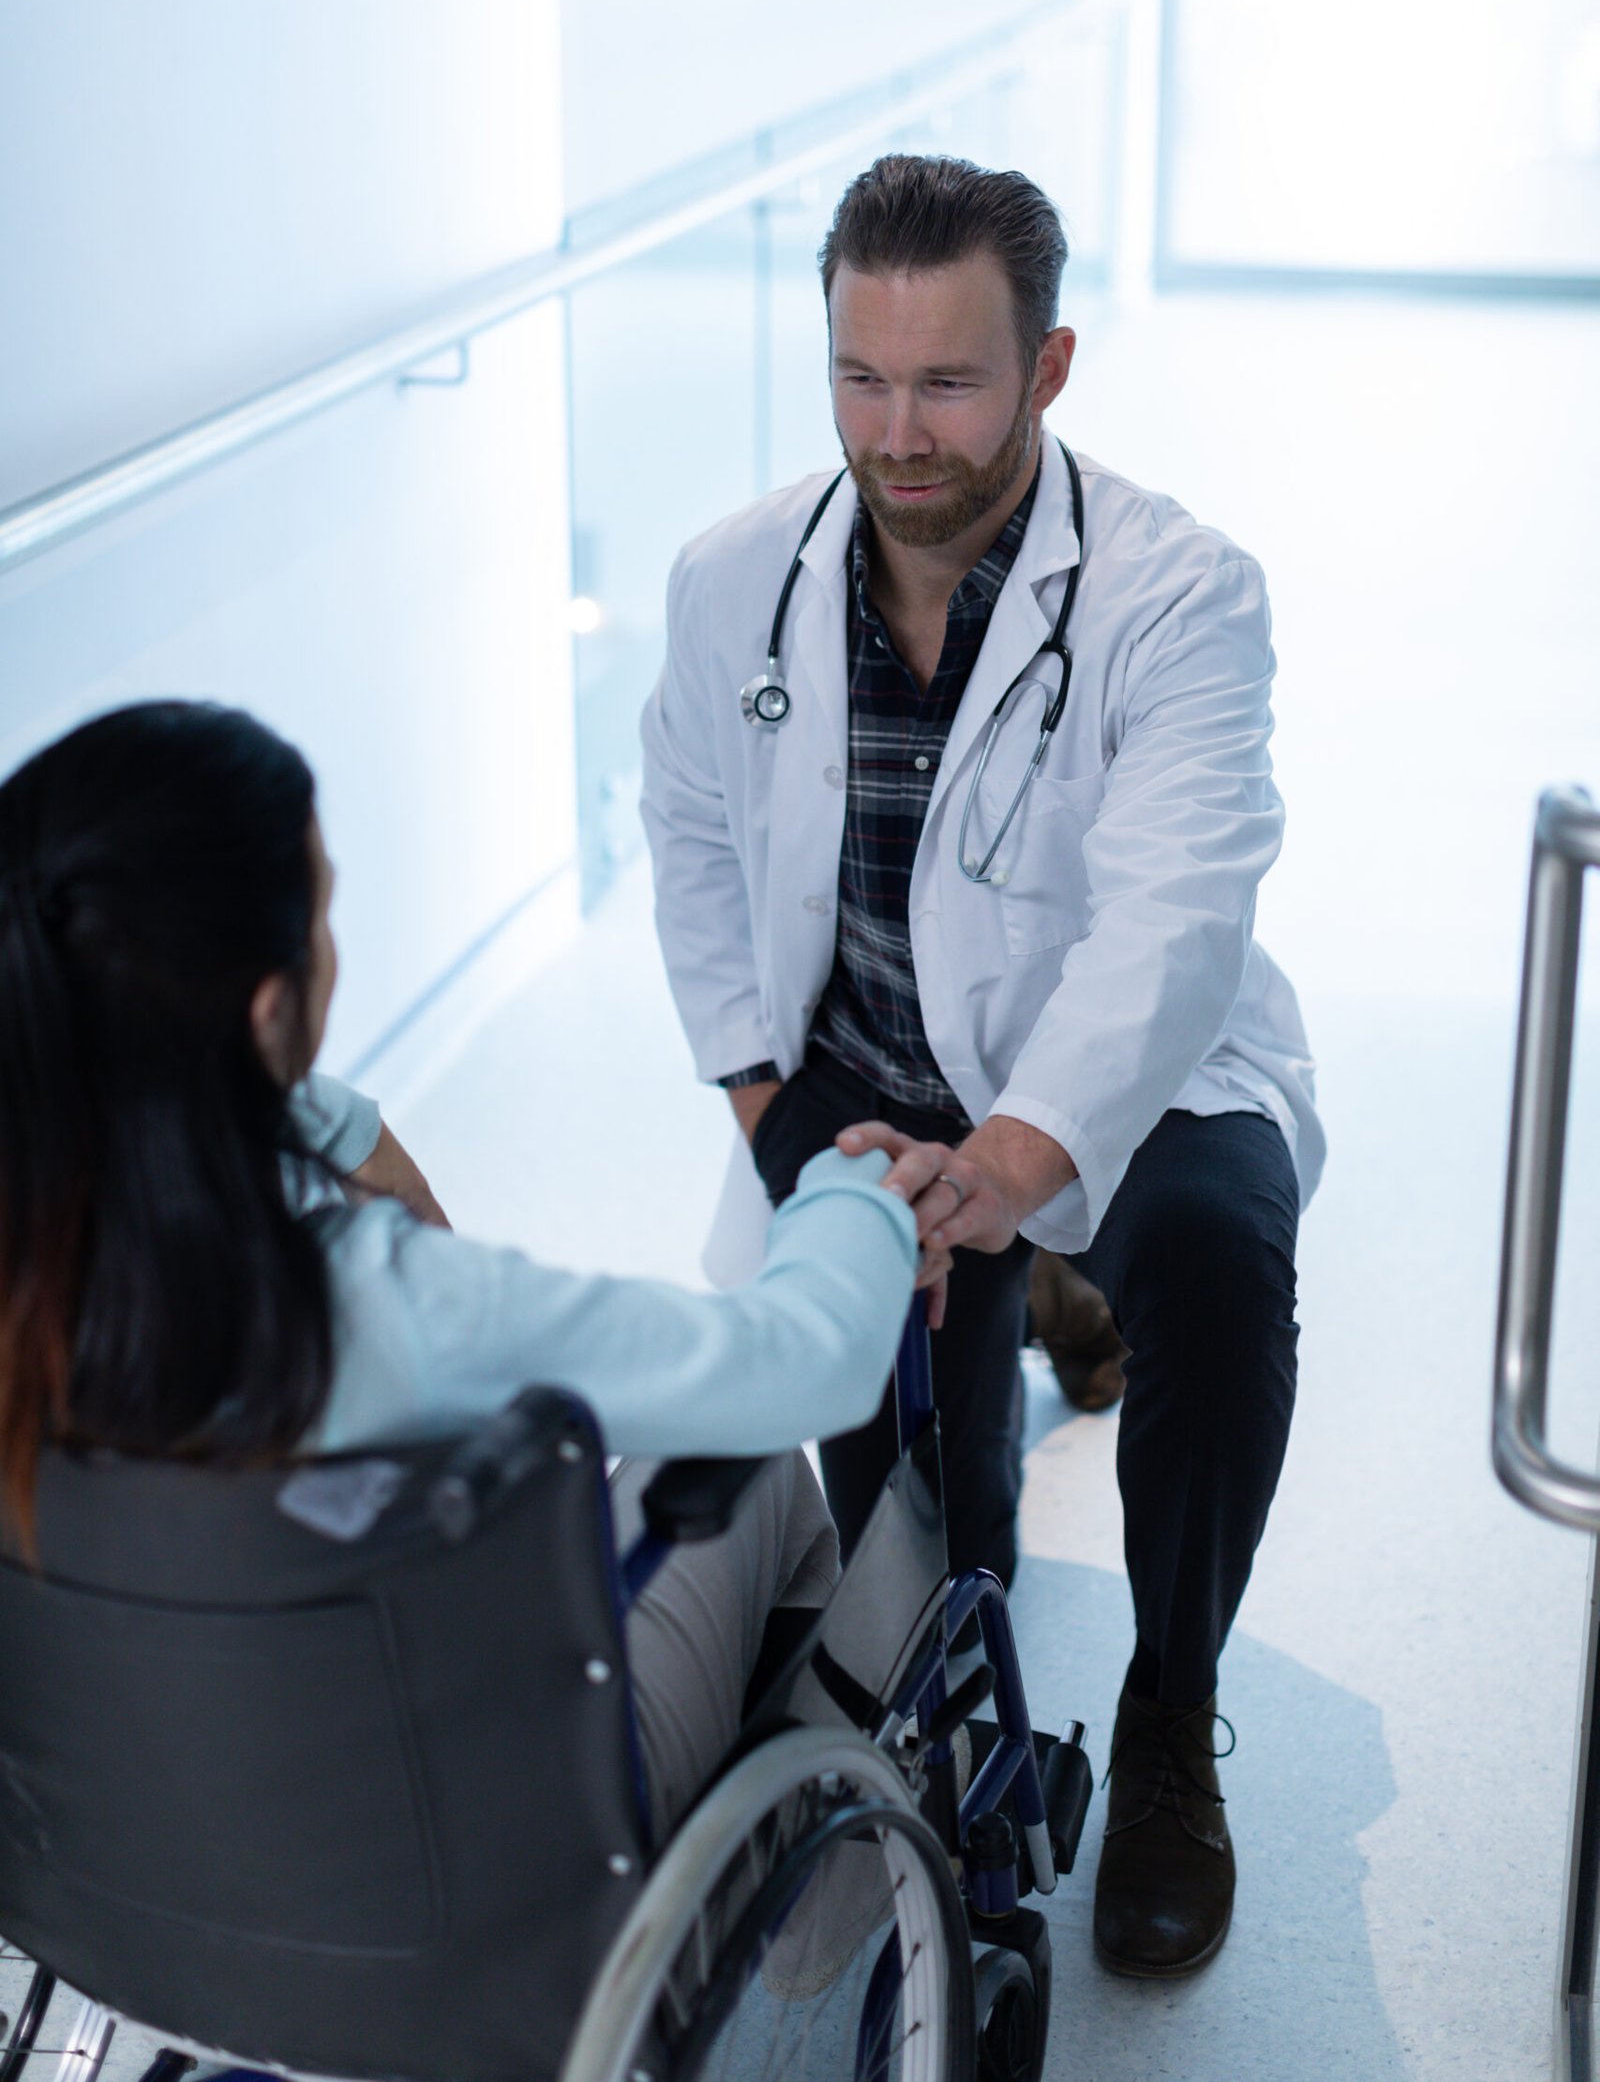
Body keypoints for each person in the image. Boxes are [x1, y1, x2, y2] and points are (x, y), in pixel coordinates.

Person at [641, 153, 1325, 1976]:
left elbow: (1175, 920)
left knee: (1210, 1262)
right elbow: (692, 838)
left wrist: (1015, 1172)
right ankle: (1001, 1426)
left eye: (948, 381)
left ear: (1053, 363)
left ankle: (1175, 1722)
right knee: (937, 1546)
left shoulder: (1182, 598)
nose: (898, 431)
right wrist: (774, 1118)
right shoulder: (735, 581)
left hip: (1127, 1080)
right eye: (861, 377)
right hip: (865, 1076)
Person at [0, 699, 945, 1840]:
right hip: (456, 1862)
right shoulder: (366, 1303)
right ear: (265, 1007)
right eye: (322, 913)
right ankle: (795, 1886)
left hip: (123, 1854)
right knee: (756, 1461)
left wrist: (278, 1099)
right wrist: (852, 1192)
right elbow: (804, 1361)